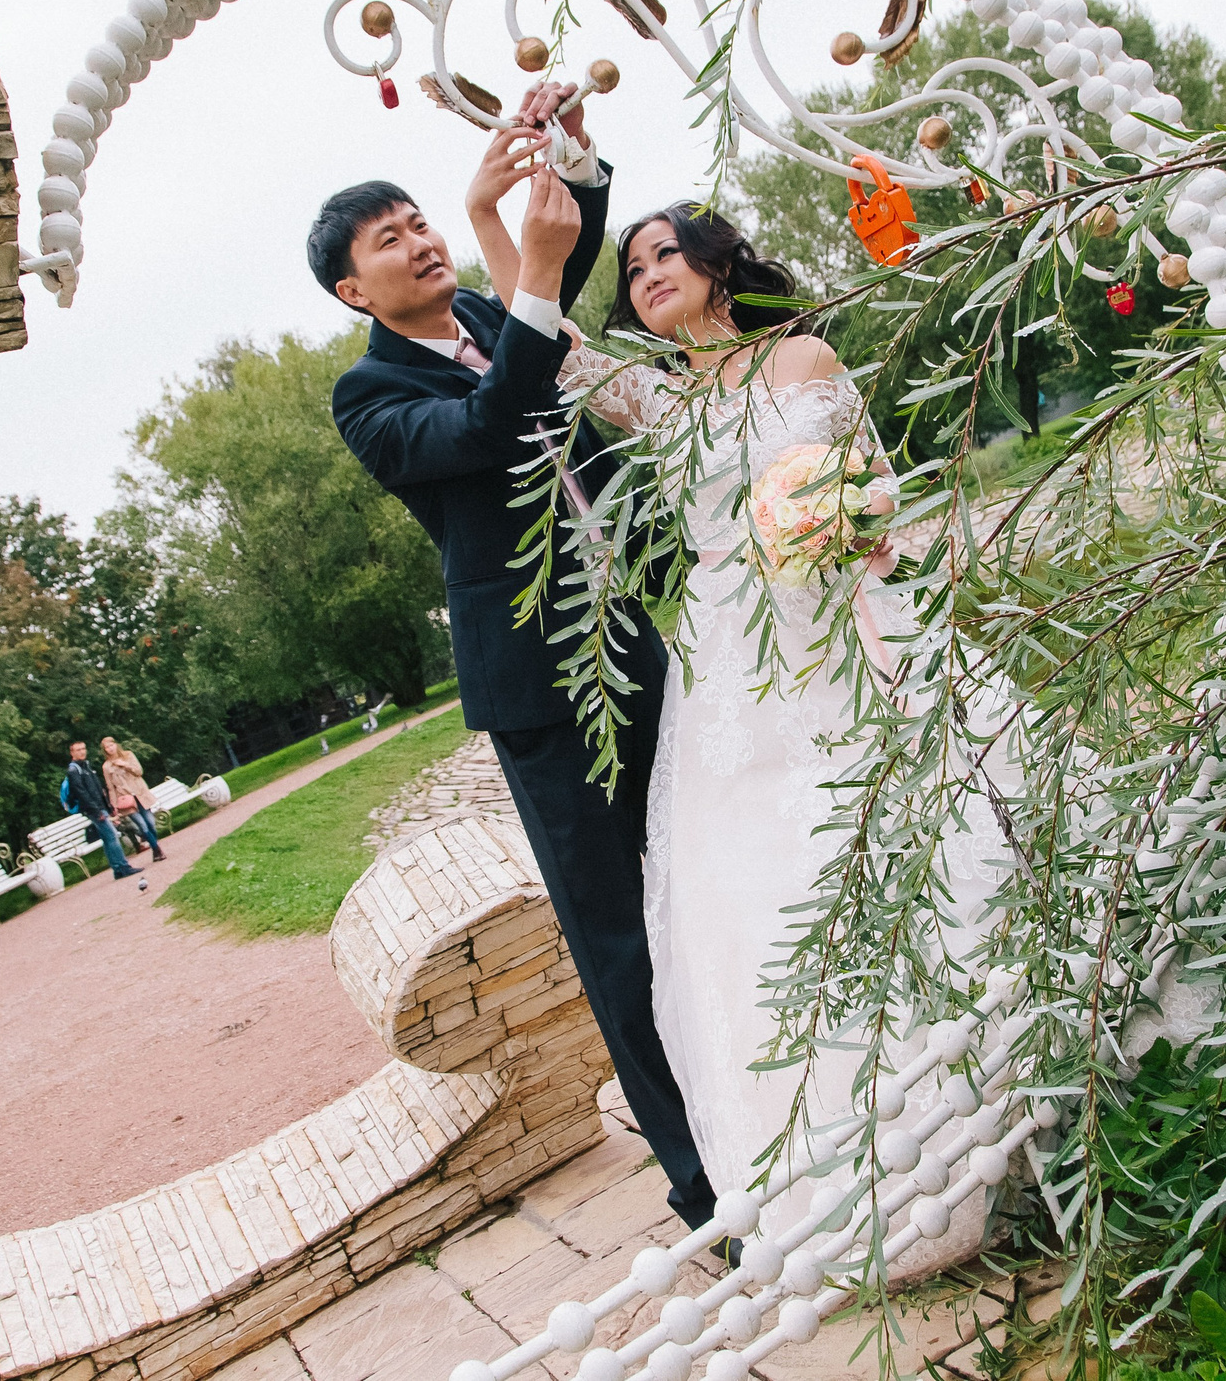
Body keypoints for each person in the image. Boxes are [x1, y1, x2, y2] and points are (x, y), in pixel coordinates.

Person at [481, 197, 1015, 1266]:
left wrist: (856, 523)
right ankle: (838, 1144)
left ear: (718, 263)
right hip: (737, 652)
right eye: (633, 269)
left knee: (916, 813)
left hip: (846, 620)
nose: (647, 275)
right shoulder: (659, 398)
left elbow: (877, 481)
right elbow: (539, 323)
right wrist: (493, 219)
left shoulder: (808, 357)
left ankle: (996, 1062)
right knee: (765, 869)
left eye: (664, 253)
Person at [319, 81, 714, 1233]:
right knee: (616, 931)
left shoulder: (494, 318)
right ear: (353, 291)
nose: (419, 240)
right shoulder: (368, 396)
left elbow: (562, 259)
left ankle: (760, 1104)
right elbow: (489, 424)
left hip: (638, 632)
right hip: (545, 688)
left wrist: (570, 160)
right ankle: (701, 1182)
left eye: (419, 220)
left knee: (701, 877)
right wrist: (530, 275)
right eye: (388, 239)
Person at [62, 740, 148, 889]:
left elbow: (97, 788)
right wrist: (96, 811)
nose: (82, 752)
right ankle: (123, 866)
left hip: (99, 807)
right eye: (78, 750)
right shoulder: (73, 770)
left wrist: (108, 806)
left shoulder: (86, 766)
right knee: (113, 836)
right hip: (93, 809)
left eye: (83, 748)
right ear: (72, 753)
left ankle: (117, 869)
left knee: (107, 839)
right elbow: (81, 793)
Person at [101, 738, 165, 861]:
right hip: (126, 798)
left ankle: (154, 847)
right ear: (105, 750)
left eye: (111, 745)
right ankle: (157, 850)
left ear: (116, 745)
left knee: (150, 823)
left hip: (140, 793)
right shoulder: (106, 766)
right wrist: (114, 805)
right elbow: (110, 788)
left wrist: (125, 765)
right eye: (107, 747)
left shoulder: (128, 755)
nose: (110, 748)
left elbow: (139, 772)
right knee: (142, 825)